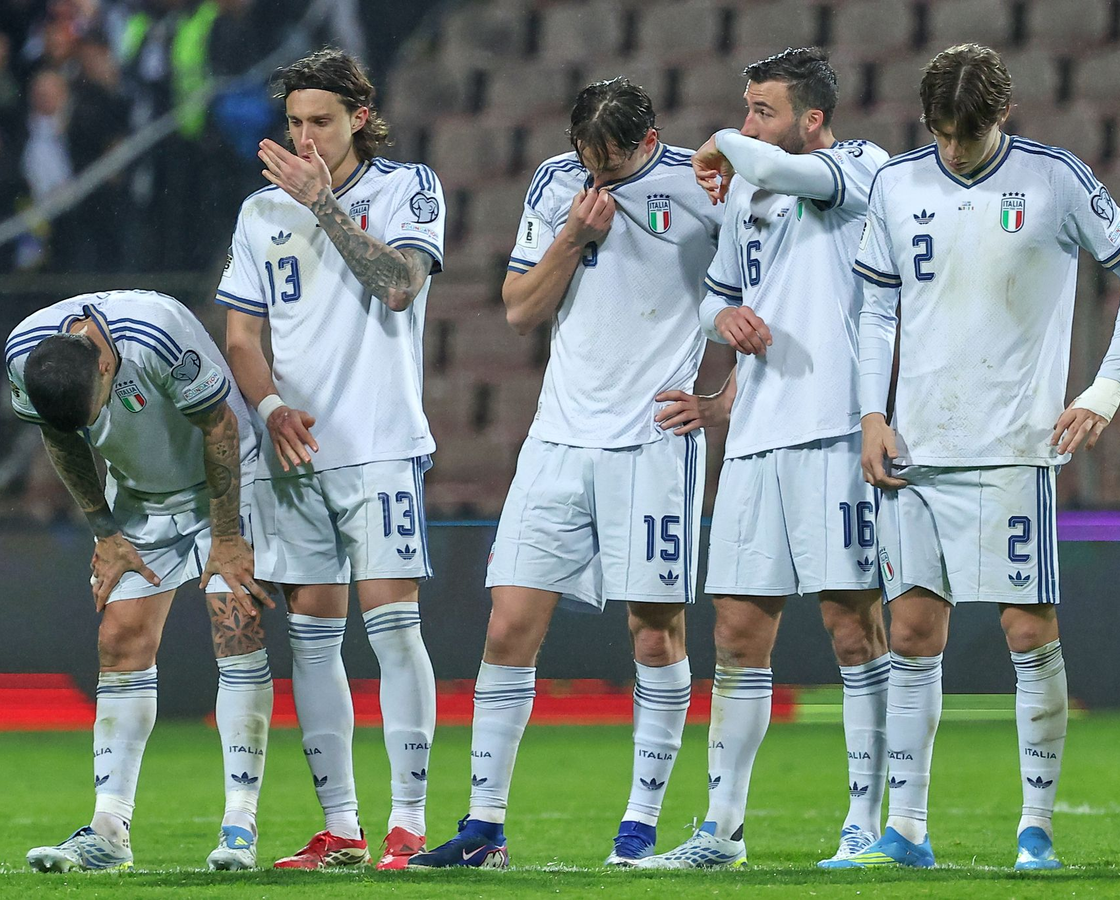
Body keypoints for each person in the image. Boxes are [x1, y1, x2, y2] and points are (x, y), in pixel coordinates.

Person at [830, 43, 1120, 870]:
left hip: (1014, 448)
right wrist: (871, 413)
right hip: (917, 448)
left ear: (1003, 114)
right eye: (941, 132)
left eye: (969, 134)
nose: (953, 148)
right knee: (912, 630)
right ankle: (906, 831)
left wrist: (1104, 390)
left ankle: (1036, 829)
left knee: (1027, 629)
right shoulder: (896, 184)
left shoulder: (1054, 179)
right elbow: (877, 307)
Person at [407, 76, 721, 869]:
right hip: (557, 440)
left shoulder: (702, 188)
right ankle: (484, 828)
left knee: (654, 631)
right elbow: (520, 309)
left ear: (649, 142)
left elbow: (770, 302)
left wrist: (721, 402)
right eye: (589, 158)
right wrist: (572, 238)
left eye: (612, 162)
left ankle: (640, 826)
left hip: (652, 442)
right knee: (508, 625)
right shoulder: (557, 184)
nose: (598, 175)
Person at [635, 47, 891, 870]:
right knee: (738, 632)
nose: (747, 123)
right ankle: (721, 830)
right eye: (744, 108)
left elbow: (769, 165)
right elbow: (718, 293)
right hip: (752, 439)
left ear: (813, 119)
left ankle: (866, 822)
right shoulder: (746, 188)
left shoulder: (861, 168)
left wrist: (720, 141)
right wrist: (725, 323)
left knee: (852, 625)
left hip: (836, 431)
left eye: (763, 110)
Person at [218, 48, 443, 871]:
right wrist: (269, 407)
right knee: (312, 641)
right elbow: (242, 337)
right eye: (294, 123)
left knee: (393, 629)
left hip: (379, 443)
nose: (305, 138)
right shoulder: (259, 212)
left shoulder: (408, 188)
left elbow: (399, 286)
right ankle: (342, 827)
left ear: (360, 116)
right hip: (292, 452)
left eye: (321, 121)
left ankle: (409, 823)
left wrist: (325, 205)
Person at [7, 289, 272, 872]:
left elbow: (220, 425)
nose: (96, 422)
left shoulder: (158, 332)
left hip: (227, 480)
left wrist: (228, 538)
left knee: (236, 628)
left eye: (97, 409)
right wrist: (104, 530)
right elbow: (60, 435)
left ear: (106, 365)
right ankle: (108, 833)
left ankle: (240, 825)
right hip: (138, 495)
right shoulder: (24, 354)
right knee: (120, 639)